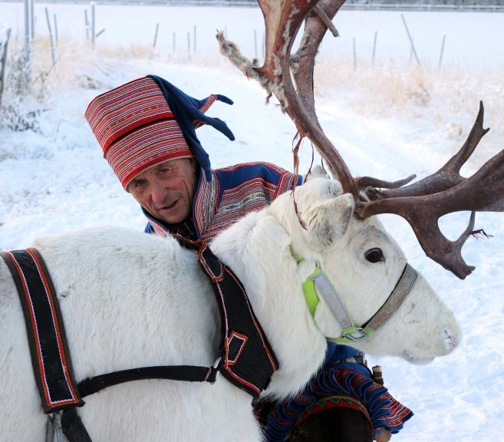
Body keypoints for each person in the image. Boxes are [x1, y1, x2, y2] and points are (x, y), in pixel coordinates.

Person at [86, 75, 411, 441]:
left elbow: (344, 254)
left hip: (318, 370)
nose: (158, 195)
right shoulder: (148, 261)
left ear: (192, 157)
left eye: (165, 170)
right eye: (139, 184)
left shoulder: (265, 188)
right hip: (225, 400)